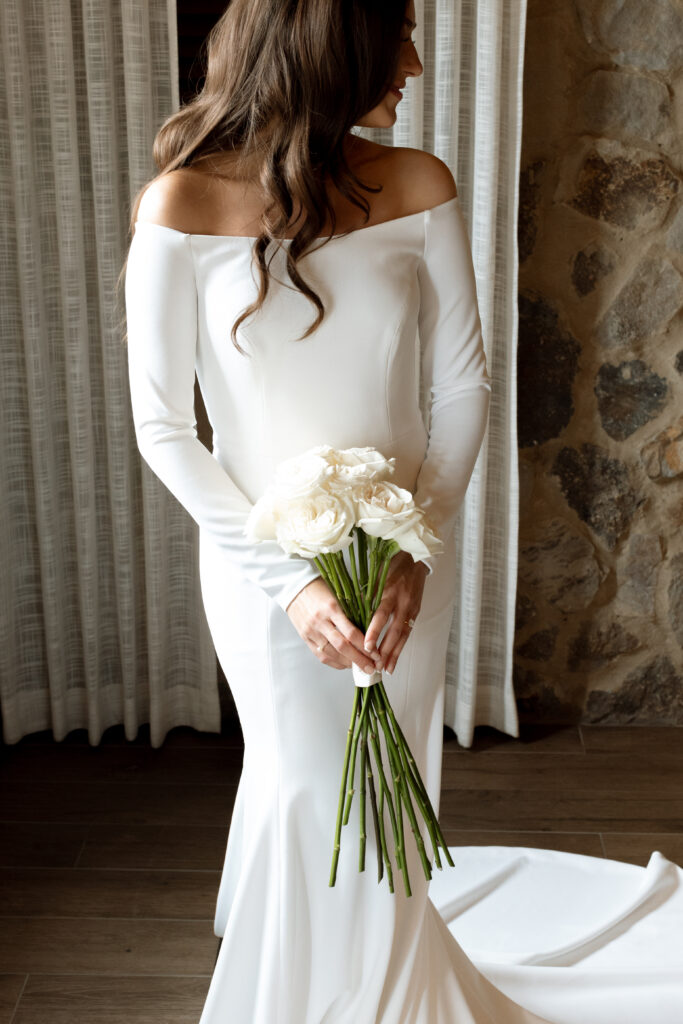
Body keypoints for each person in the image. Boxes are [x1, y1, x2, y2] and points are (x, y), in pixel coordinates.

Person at [124, 2, 683, 1022]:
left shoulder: (416, 183)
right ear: (326, 53)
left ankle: (391, 997)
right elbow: (164, 427)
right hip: (261, 569)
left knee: (397, 788)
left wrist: (417, 547)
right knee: (301, 786)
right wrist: (290, 587)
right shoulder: (180, 205)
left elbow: (462, 387)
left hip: (401, 550)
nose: (415, 64)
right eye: (396, 40)